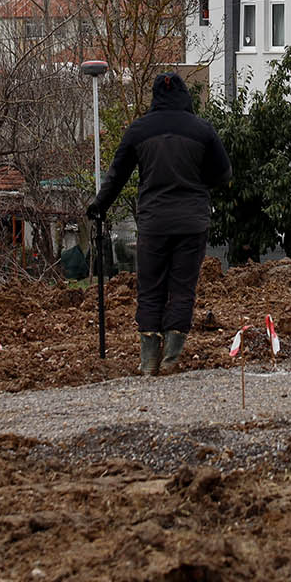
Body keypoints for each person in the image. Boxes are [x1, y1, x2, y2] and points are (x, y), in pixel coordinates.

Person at [87, 72, 232, 376]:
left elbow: (117, 176)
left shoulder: (139, 130)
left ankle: (148, 362)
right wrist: (196, 183)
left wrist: (99, 207)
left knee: (150, 289)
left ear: (155, 97)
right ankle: (172, 359)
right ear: (184, 96)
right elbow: (223, 175)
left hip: (154, 223)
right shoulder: (202, 130)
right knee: (182, 289)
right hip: (192, 222)